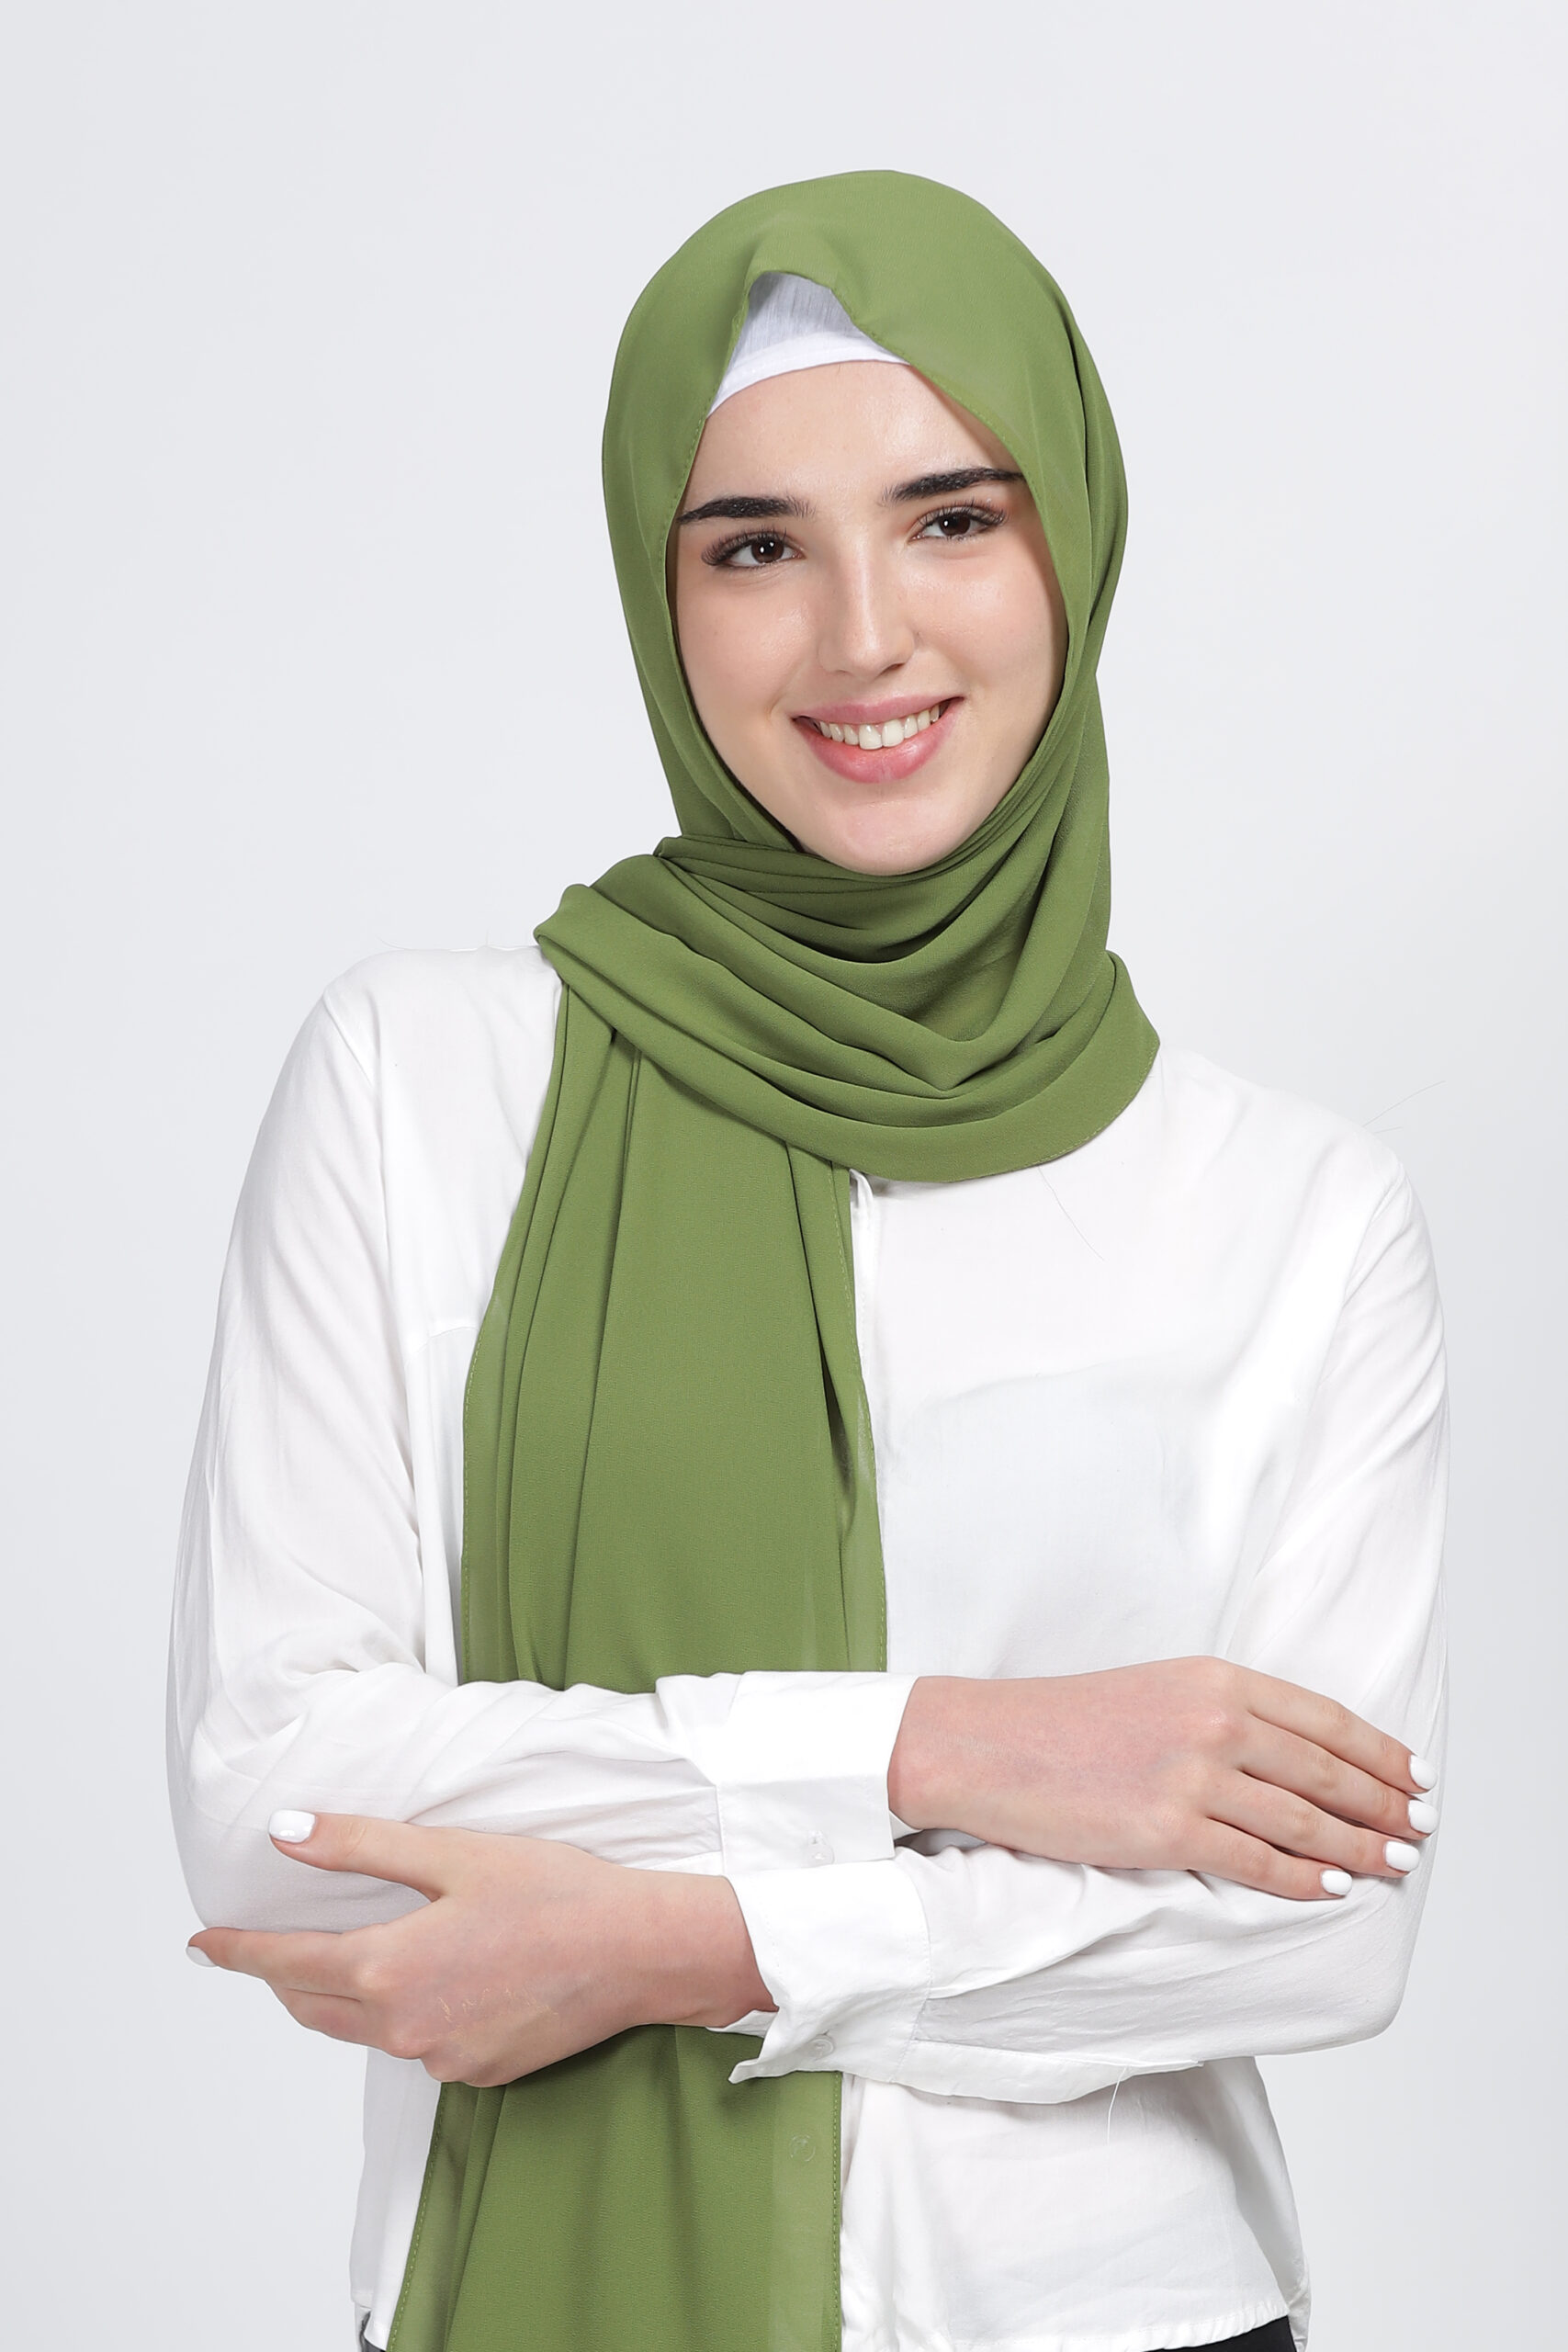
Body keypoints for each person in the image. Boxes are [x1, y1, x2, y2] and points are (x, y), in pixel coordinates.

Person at [169, 172, 1446, 2352]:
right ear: (658, 598)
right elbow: (277, 1795)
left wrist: (679, 1943)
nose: (862, 635)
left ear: (1070, 550)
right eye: (755, 546)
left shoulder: (1294, 1205)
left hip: (1117, 2315)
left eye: (950, 519)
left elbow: (1315, 1927)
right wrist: (943, 1748)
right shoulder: (420, 1077)